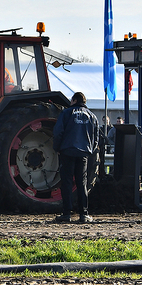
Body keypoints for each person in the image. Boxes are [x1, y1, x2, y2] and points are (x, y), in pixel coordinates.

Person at [52, 91, 99, 223]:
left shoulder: (66, 113)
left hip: (67, 151)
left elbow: (58, 132)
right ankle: (84, 214)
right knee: (82, 183)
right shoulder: (92, 116)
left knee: (66, 182)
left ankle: (67, 213)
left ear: (73, 100)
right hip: (83, 153)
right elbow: (96, 137)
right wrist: (90, 150)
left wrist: (57, 148)